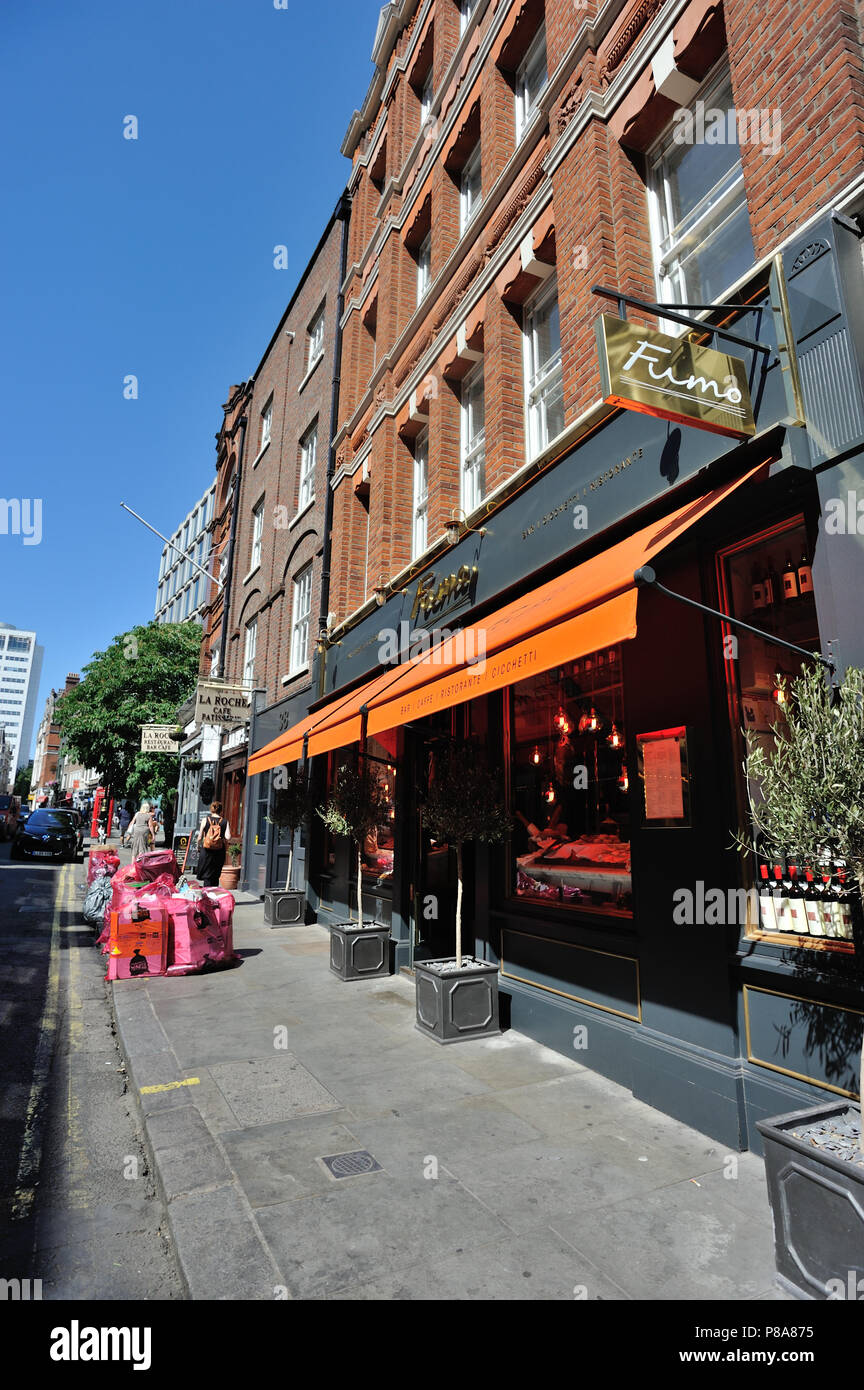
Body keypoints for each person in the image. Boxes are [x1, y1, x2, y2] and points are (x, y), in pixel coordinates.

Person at [195, 801, 230, 888]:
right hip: (219, 851)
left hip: (207, 850)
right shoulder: (225, 821)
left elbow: (199, 837)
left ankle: (207, 895)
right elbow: (228, 837)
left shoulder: (205, 820)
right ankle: (214, 894)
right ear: (221, 811)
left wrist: (198, 846)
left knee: (207, 874)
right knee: (215, 874)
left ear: (211, 810)